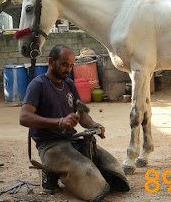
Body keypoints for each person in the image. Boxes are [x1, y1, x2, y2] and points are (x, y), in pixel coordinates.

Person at [20, 44, 129, 201]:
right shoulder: (38, 85)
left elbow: (82, 114)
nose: (68, 69)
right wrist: (59, 122)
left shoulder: (69, 84)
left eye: (71, 65)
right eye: (64, 64)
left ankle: (83, 172)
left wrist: (93, 125)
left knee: (117, 175)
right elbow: (24, 118)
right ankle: (50, 172)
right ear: (52, 61)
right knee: (93, 183)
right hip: (50, 146)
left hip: (72, 141)